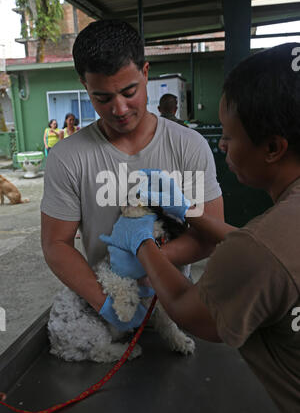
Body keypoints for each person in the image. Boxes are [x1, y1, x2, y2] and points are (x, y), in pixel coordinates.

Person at [101, 42, 300, 413]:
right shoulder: (273, 237)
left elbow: (189, 312)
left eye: (228, 135)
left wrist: (140, 241)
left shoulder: (261, 248)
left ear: (273, 147)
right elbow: (268, 255)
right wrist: (187, 211)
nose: (221, 145)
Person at [40, 19, 223, 330]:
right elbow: (56, 244)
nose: (120, 109)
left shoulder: (187, 146)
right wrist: (106, 302)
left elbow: (209, 236)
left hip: (174, 305)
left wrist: (147, 258)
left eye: (129, 91)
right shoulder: (67, 157)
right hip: (108, 298)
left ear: (146, 73)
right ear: (85, 86)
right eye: (103, 98)